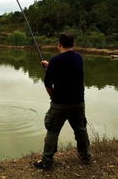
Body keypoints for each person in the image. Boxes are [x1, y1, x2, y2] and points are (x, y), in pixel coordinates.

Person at [34, 33, 91, 170]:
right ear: (73, 44)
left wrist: (53, 96)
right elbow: (67, 71)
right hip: (78, 102)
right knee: (81, 129)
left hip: (59, 103)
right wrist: (49, 66)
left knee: (52, 131)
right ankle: (86, 157)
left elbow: (48, 84)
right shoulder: (79, 58)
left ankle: (47, 161)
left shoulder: (55, 60)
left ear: (59, 44)